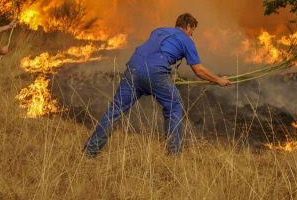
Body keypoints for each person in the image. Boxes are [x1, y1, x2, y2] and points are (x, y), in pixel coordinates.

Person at [83, 13, 231, 156]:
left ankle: (90, 151)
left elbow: (156, 50)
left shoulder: (158, 30)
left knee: (115, 110)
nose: (192, 34)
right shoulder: (186, 40)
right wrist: (219, 80)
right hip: (156, 72)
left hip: (133, 67)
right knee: (174, 105)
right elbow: (198, 70)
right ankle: (173, 154)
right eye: (192, 30)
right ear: (187, 27)